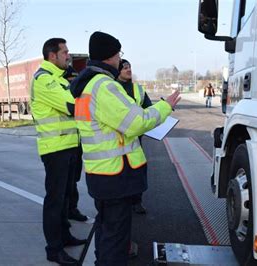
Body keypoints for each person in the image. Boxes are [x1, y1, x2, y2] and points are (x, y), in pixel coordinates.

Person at [70, 31, 181, 266]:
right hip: (115, 175)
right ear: (110, 56)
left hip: (101, 173)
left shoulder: (88, 85)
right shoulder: (104, 86)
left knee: (106, 228)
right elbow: (136, 122)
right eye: (119, 53)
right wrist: (164, 107)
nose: (121, 59)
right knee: (116, 237)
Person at [31, 38, 86, 266]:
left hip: (68, 146)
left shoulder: (58, 78)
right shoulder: (45, 80)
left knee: (63, 199)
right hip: (55, 149)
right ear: (52, 55)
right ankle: (54, 249)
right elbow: (75, 106)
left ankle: (65, 236)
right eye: (65, 52)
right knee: (55, 201)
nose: (68, 55)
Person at [117, 59, 151, 215]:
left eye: (129, 67)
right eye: (124, 67)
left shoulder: (138, 89)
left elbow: (149, 108)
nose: (128, 69)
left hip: (136, 137)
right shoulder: (112, 88)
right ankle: (123, 200)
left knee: (138, 169)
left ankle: (137, 201)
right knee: (120, 170)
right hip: (116, 138)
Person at [63, 65, 91, 223]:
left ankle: (72, 209)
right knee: (65, 184)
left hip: (77, 143)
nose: (73, 84)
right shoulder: (64, 96)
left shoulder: (80, 95)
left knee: (73, 180)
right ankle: (66, 211)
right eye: (70, 81)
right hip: (63, 144)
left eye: (75, 80)